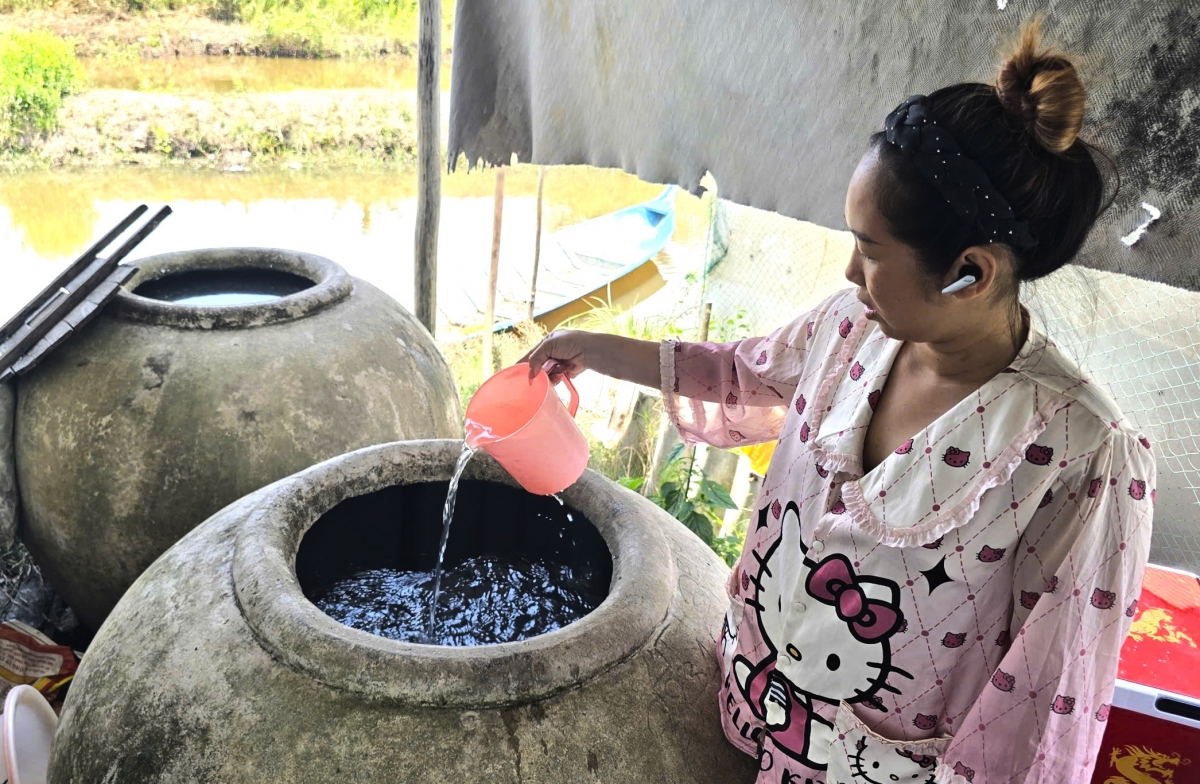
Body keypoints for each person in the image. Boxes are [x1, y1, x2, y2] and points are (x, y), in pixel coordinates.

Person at [522, 21, 1153, 784]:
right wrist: (597, 349)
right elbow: (741, 372)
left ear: (970, 272)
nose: (851, 270)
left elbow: (1046, 694)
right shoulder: (853, 328)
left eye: (873, 250)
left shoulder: (1075, 451)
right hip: (757, 709)